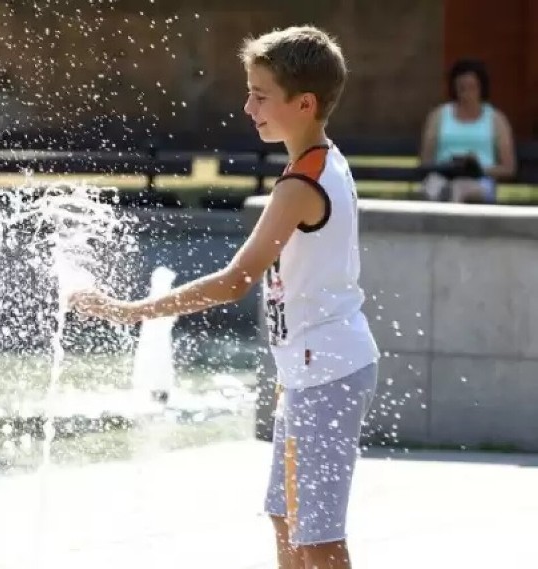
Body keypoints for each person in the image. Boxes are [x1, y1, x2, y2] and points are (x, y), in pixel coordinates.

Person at [71, 25, 378, 569]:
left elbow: (237, 280)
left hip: (327, 371)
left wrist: (134, 311)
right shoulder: (319, 160)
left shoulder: (300, 186)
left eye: (261, 95)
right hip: (311, 370)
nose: (248, 106)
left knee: (318, 538)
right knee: (287, 520)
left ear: (303, 103)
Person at [419, 59, 516, 203]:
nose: (466, 94)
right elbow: (425, 162)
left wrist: (477, 168)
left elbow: (509, 168)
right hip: (443, 175)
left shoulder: (496, 119)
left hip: (481, 179)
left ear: (481, 88)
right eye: (461, 88)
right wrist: (447, 167)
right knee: (433, 187)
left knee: (459, 189)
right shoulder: (438, 116)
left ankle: (450, 222)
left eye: (472, 87)